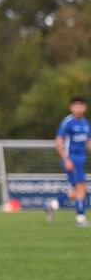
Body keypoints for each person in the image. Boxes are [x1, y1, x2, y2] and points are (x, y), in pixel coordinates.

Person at [45, 96, 90, 227]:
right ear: (71, 108)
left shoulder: (86, 123)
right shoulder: (67, 122)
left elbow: (89, 141)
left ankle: (52, 205)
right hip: (71, 159)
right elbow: (58, 141)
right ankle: (80, 219)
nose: (78, 108)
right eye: (76, 105)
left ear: (85, 107)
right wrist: (66, 159)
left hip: (81, 161)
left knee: (81, 190)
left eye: (81, 105)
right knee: (81, 188)